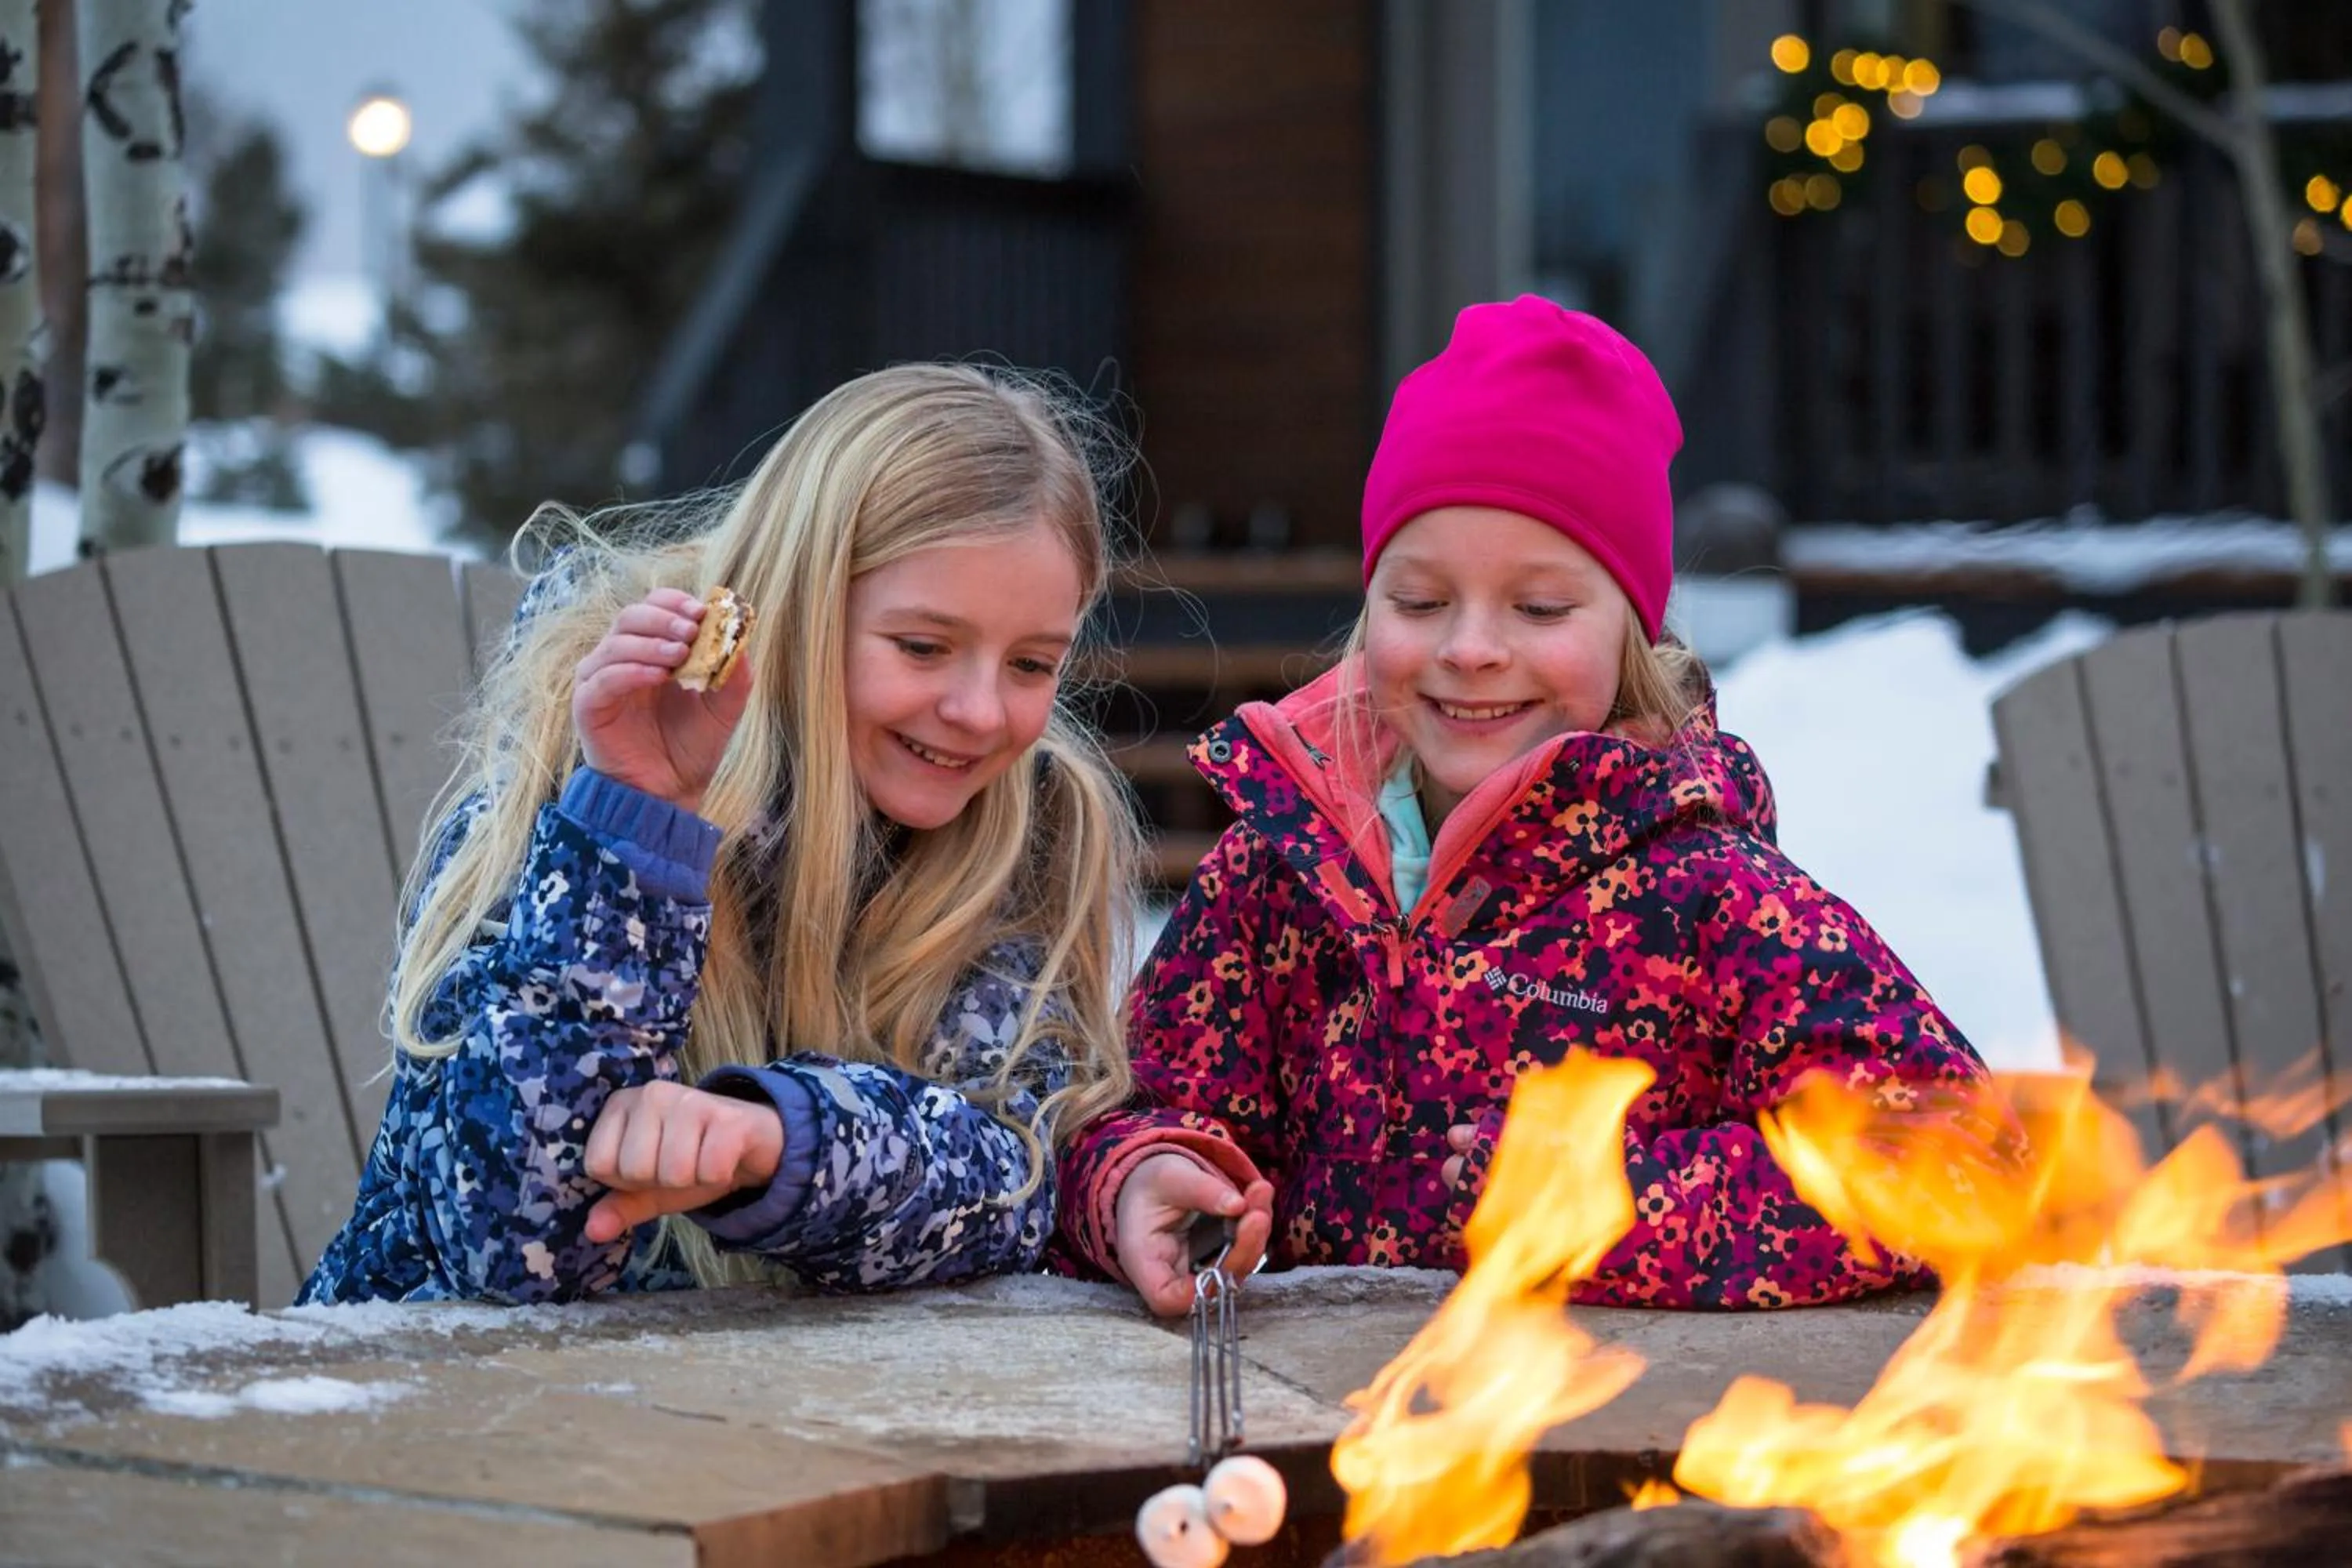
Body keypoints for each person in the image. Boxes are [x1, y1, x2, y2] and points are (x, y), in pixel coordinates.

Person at [1053, 297, 2006, 1315]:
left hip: (1615, 1451)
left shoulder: (1706, 899)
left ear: (1632, 628)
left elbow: (1953, 1155)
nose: (1469, 648)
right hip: (1306, 1445)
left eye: (1540, 607)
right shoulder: (1278, 875)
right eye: (1420, 601)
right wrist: (1143, 1178)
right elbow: (1126, 1117)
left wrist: (1607, 1205)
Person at [300, 363, 1143, 1305]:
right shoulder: (570, 786)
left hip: (800, 1418)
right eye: (922, 646)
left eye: (1032, 664)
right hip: (430, 1400)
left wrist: (785, 1141)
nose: (981, 711)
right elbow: (509, 1246)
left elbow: (1016, 1184)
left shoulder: (1025, 835)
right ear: (798, 605)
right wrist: (633, 834)